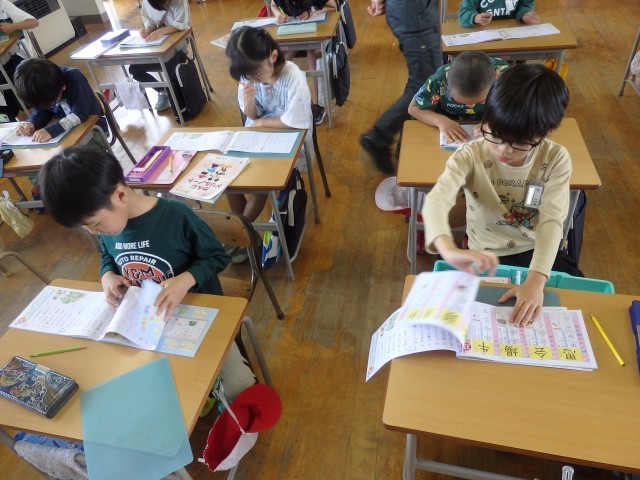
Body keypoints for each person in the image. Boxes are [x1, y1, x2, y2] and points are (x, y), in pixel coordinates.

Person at [38, 146, 256, 401]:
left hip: (197, 313)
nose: (94, 233)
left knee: (239, 386)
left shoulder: (176, 216)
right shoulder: (109, 225)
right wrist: (107, 274)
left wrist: (185, 280)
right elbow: (107, 254)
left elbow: (217, 256)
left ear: (120, 195)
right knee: (142, 389)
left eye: (95, 224)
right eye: (86, 228)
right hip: (144, 324)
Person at [422, 64, 578, 327]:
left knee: (578, 304)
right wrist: (447, 249)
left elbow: (552, 221)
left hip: (533, 249)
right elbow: (437, 200)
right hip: (482, 252)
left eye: (519, 143)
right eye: (495, 135)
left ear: (542, 134)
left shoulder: (555, 158)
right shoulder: (470, 155)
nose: (504, 150)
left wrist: (536, 280)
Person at [225, 26, 311, 263]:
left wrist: (261, 122)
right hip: (259, 139)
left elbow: (295, 123)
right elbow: (252, 115)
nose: (253, 79)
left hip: (292, 143)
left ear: (273, 56)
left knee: (259, 185)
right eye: (248, 76)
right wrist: (249, 104)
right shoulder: (248, 75)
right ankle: (243, 233)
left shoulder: (293, 76)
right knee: (229, 180)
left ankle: (239, 236)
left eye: (256, 73)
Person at [360, 0, 441, 175]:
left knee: (421, 83)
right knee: (424, 86)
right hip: (415, 15)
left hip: (412, 13)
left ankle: (403, 139)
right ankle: (379, 137)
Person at [13, 58, 107, 203]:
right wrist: (31, 123)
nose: (52, 103)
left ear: (63, 86)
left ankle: (79, 192)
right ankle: (44, 186)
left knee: (65, 165)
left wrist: (51, 130)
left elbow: (80, 114)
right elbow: (42, 111)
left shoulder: (74, 77)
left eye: (53, 100)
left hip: (93, 131)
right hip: (63, 137)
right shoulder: (43, 88)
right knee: (34, 158)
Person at [409, 51, 509, 143]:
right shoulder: (439, 79)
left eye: (480, 101)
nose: (470, 106)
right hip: (450, 121)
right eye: (461, 101)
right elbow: (413, 108)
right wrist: (440, 121)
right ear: (447, 77)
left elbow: (517, 111)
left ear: (496, 77)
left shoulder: (507, 77)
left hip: (493, 122)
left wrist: (495, 123)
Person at [270, 0, 337, 125]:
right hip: (294, 34)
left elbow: (333, 6)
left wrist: (315, 12)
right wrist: (278, 14)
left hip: (316, 32)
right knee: (281, 60)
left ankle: (317, 104)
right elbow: (273, 5)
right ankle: (287, 102)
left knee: (313, 54)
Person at [130, 0, 190, 112]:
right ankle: (163, 90)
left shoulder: (180, 1)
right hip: (157, 47)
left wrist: (162, 31)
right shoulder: (148, 2)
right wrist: (147, 30)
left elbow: (182, 24)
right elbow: (149, 23)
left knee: (170, 67)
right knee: (134, 69)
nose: (163, 7)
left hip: (178, 47)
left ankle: (179, 100)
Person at [0, 0, 38, 122]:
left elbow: (34, 22)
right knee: (5, 113)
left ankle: (38, 119)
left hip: (11, 61)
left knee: (28, 100)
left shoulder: (3, 4)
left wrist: (11, 27)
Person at [458, 0, 540, 27]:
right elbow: (463, 14)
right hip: (483, 36)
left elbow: (525, 4)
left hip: (512, 34)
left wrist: (525, 14)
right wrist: (475, 18)